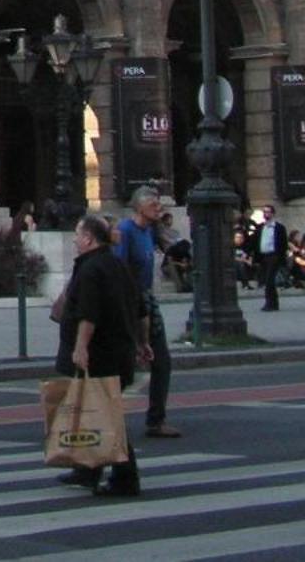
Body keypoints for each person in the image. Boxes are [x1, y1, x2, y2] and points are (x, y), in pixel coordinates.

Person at [56, 213, 145, 498]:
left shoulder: (91, 269)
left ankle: (125, 478)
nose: (74, 239)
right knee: (92, 413)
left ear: (89, 238)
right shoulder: (118, 265)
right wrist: (143, 343)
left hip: (100, 353)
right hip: (120, 350)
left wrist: (80, 347)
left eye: (77, 234)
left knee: (106, 416)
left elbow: (88, 314)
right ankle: (87, 469)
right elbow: (139, 308)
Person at [112, 186, 180, 440]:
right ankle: (105, 417)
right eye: (154, 205)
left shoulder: (150, 231)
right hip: (130, 302)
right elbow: (119, 269)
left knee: (161, 361)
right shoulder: (126, 231)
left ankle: (156, 419)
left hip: (146, 300)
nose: (159, 208)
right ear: (139, 207)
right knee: (123, 366)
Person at [250, 205, 287, 310]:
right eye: (265, 212)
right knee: (266, 280)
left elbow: (283, 244)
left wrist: (281, 258)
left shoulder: (279, 228)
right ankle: (274, 303)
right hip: (263, 256)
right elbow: (255, 242)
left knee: (269, 280)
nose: (266, 214)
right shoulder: (260, 227)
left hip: (274, 256)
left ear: (273, 214)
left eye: (268, 212)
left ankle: (269, 303)